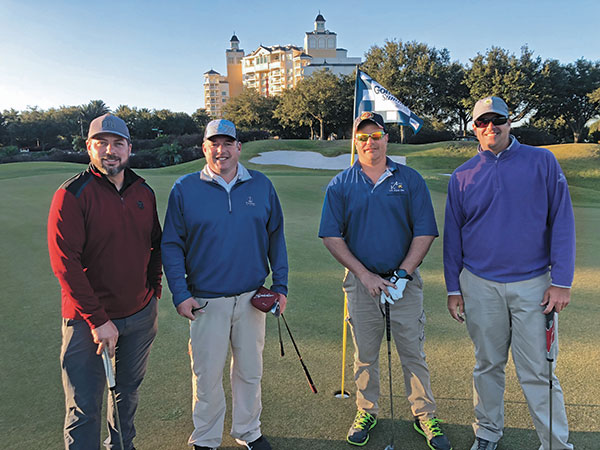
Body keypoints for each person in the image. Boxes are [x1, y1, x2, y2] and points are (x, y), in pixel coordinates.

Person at [443, 96, 575, 450]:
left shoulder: (542, 161)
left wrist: (561, 282)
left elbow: (562, 220)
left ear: (509, 121)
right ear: (473, 129)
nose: (491, 127)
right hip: (479, 285)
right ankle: (487, 431)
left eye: (497, 119)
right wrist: (453, 289)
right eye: (482, 122)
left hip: (534, 285)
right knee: (487, 365)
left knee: (538, 371)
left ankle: (554, 443)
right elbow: (453, 238)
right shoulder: (461, 176)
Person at [319, 111, 452, 450]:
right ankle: (366, 410)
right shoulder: (340, 184)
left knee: (412, 352)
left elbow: (424, 232)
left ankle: (424, 414)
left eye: (375, 136)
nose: (369, 143)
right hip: (361, 284)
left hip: (402, 282)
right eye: (362, 137)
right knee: (365, 354)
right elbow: (332, 237)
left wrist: (403, 275)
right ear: (355, 141)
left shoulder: (409, 179)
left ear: (386, 138)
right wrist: (364, 275)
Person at [161, 119, 288, 450]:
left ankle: (248, 430)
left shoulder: (261, 186)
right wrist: (180, 293)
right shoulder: (184, 188)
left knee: (249, 372)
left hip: (252, 299)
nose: (221, 150)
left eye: (227, 143)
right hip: (205, 301)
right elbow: (171, 244)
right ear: (204, 148)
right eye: (213, 143)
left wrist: (282, 286)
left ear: (238, 147)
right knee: (207, 376)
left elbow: (276, 237)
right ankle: (206, 438)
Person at [47, 113, 162, 449]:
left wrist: (153, 291)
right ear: (89, 147)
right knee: (85, 408)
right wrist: (99, 321)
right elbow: (65, 265)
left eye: (118, 143)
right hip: (87, 323)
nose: (110, 150)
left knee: (126, 398)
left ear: (129, 148)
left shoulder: (144, 191)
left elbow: (155, 243)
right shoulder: (71, 194)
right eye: (102, 143)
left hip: (140, 316)